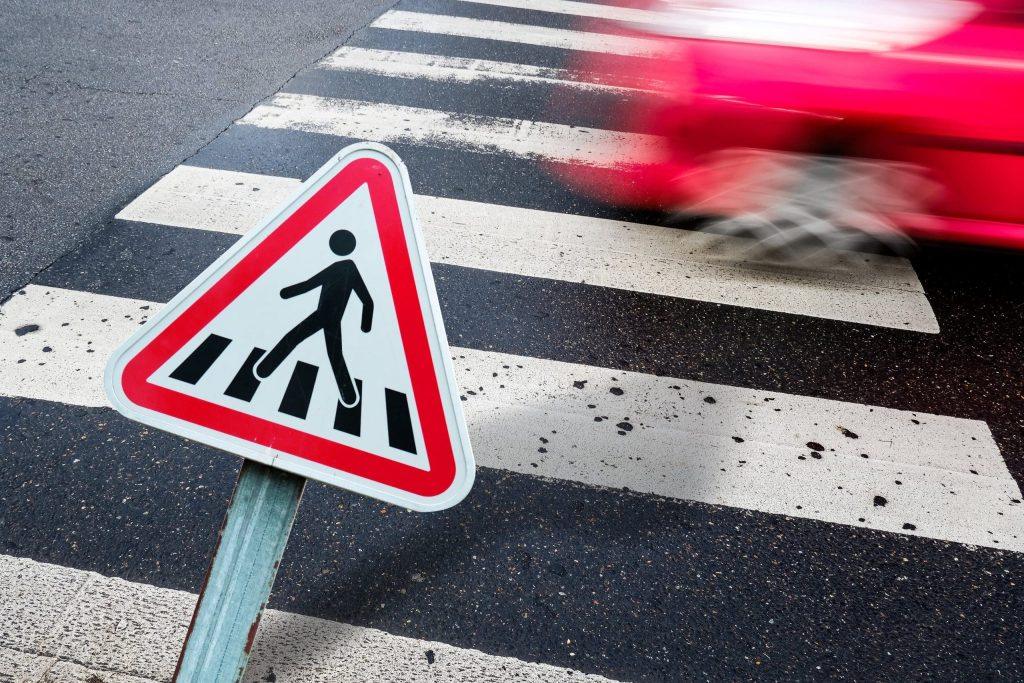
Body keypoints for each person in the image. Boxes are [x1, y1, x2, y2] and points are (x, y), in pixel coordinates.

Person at [255, 229, 373, 407]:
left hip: (321, 316)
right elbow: (367, 301)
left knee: (292, 338)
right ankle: (348, 395)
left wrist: (285, 293)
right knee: (334, 354)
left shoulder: (338, 268)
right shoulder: (351, 269)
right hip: (333, 319)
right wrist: (365, 325)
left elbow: (309, 284)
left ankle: (264, 369)